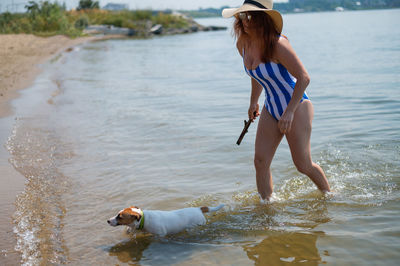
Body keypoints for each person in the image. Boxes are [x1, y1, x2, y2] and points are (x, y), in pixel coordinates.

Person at [222, 0, 330, 201]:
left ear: (264, 18)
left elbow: (304, 77)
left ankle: (329, 195)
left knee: (303, 165)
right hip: (271, 107)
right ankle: (267, 206)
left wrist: (289, 111)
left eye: (252, 15)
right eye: (243, 15)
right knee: (260, 161)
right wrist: (253, 102)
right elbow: (258, 77)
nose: (247, 20)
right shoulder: (242, 44)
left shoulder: (278, 44)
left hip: (297, 106)